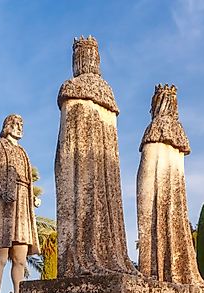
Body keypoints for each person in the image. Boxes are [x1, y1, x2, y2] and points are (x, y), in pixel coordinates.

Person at [54, 36, 137, 277]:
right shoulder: (107, 94)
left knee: (83, 207)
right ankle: (107, 256)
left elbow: (66, 149)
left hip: (81, 173)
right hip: (102, 174)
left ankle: (84, 259)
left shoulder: (71, 87)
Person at [136, 84, 204, 287]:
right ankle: (160, 271)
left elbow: (148, 171)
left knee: (152, 218)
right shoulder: (177, 132)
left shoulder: (155, 128)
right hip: (169, 191)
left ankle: (153, 271)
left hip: (157, 187)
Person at [0, 114, 40, 293]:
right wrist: (2, 192)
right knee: (1, 256)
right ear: (7, 126)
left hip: (22, 205)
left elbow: (27, 181)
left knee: (20, 257)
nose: (19, 127)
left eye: (22, 124)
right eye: (15, 124)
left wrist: (33, 198)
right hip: (3, 206)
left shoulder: (23, 152)